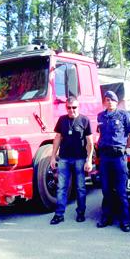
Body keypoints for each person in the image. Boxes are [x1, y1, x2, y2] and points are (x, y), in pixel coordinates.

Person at [96, 90, 130, 232]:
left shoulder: (124, 115)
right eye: (107, 100)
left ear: (116, 102)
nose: (109, 102)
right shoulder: (100, 116)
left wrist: (124, 148)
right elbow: (99, 134)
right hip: (105, 158)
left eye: (112, 100)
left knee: (121, 192)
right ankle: (106, 218)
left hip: (119, 158)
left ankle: (125, 221)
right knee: (106, 190)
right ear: (104, 102)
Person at [49, 96, 93, 225]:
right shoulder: (62, 120)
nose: (71, 110)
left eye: (74, 107)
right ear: (66, 107)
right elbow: (57, 138)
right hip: (64, 159)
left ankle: (80, 213)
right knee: (61, 187)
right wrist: (53, 156)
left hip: (80, 159)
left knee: (80, 187)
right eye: (69, 107)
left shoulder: (84, 120)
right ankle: (59, 214)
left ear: (78, 107)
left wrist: (89, 160)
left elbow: (90, 142)